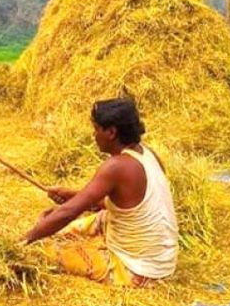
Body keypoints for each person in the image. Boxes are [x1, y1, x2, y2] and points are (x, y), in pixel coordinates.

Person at [24, 98, 179, 287]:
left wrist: (26, 239)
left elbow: (68, 212)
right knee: (68, 227)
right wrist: (72, 196)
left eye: (97, 129)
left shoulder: (116, 166)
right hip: (162, 260)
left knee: (42, 251)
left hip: (138, 270)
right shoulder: (147, 153)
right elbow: (120, 203)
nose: (94, 135)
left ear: (111, 132)